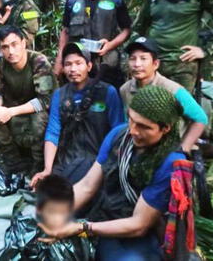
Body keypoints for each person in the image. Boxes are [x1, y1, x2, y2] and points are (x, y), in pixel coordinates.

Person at [38, 86, 187, 260]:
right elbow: (87, 186)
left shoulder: (170, 163)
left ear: (165, 128)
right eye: (131, 119)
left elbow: (139, 225)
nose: (133, 131)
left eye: (144, 127)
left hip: (142, 232)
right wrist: (54, 215)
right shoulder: (118, 135)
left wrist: (83, 228)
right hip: (108, 215)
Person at [31, 42, 124, 187]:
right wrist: (47, 169)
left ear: (89, 66)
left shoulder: (107, 92)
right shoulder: (59, 95)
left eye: (78, 63)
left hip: (98, 161)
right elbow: (53, 132)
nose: (73, 69)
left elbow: (118, 131)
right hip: (67, 160)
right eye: (68, 64)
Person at [0, 26, 55, 174]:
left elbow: (45, 100)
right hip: (13, 107)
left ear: (23, 43)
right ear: (1, 49)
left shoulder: (38, 61)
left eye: (14, 44)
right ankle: (13, 160)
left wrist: (10, 112)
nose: (11, 51)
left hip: (35, 110)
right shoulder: (1, 63)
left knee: (40, 118)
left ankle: (38, 164)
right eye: (5, 47)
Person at [54, 0, 132, 90]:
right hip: (78, 64)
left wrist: (110, 45)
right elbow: (65, 31)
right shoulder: (73, 0)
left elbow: (126, 30)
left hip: (107, 64)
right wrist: (60, 59)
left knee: (108, 100)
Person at [120, 37, 208, 152]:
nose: (137, 64)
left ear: (155, 64)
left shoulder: (172, 89)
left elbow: (200, 118)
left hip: (168, 148)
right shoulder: (125, 89)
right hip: (139, 145)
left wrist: (183, 148)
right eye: (132, 59)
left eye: (143, 59)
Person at [0, 174, 95, 260]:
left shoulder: (76, 229)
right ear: (39, 210)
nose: (59, 219)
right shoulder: (27, 234)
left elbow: (90, 235)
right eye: (53, 212)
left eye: (64, 212)